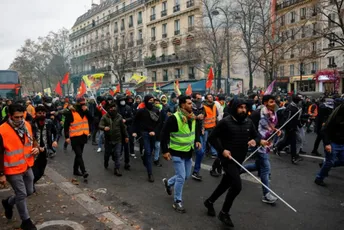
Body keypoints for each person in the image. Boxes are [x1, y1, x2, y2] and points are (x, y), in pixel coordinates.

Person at [203, 98, 262, 227]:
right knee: (236, 186)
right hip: (227, 159)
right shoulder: (225, 122)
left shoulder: (248, 122)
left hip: (240, 158)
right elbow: (212, 137)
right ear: (234, 108)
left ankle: (209, 201)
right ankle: (224, 212)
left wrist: (255, 141)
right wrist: (222, 150)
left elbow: (257, 136)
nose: (243, 110)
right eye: (240, 107)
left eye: (245, 107)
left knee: (225, 184)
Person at [0, 104, 39, 230]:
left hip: (26, 165)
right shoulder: (2, 130)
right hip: (11, 168)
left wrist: (36, 148)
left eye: (22, 116)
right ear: (10, 116)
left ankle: (8, 202)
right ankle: (26, 221)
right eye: (17, 117)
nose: (20, 119)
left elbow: (32, 140)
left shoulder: (26, 125)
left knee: (29, 191)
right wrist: (1, 174)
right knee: (21, 193)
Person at [161, 95, 201, 213]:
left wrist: (197, 140)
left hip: (188, 152)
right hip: (176, 152)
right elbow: (163, 134)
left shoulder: (192, 117)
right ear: (182, 105)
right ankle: (177, 201)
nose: (191, 105)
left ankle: (168, 183)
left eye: (191, 103)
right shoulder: (174, 118)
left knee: (186, 176)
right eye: (189, 103)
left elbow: (195, 129)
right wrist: (165, 151)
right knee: (181, 178)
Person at [243, 95, 279, 204]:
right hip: (260, 143)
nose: (274, 103)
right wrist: (257, 141)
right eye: (271, 102)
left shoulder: (273, 112)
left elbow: (271, 126)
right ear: (265, 103)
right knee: (265, 169)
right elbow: (249, 128)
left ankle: (236, 171)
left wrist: (276, 130)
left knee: (257, 165)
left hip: (268, 143)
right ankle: (266, 195)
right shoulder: (257, 113)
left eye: (274, 101)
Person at [132, 95, 162, 182]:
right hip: (144, 133)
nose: (151, 102)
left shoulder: (156, 110)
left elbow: (159, 123)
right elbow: (135, 121)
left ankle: (144, 158)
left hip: (153, 134)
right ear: (145, 101)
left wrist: (155, 131)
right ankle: (150, 173)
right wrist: (134, 131)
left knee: (150, 151)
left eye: (153, 100)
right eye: (149, 100)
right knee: (148, 152)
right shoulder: (141, 111)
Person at [314, 103, 344, 186]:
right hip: (332, 142)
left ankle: (325, 164)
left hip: (341, 143)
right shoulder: (335, 118)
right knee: (330, 162)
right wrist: (327, 144)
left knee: (341, 161)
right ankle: (319, 178)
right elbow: (324, 130)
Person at [64, 97, 91, 178]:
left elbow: (91, 119)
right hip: (74, 137)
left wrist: (86, 111)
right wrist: (67, 137)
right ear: (78, 103)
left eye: (84, 102)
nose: (84, 104)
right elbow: (66, 125)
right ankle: (84, 171)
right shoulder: (71, 112)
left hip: (83, 136)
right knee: (79, 154)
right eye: (82, 103)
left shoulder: (85, 111)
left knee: (79, 154)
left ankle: (75, 170)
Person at [99, 103, 129, 176]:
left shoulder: (119, 117)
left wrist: (126, 136)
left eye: (114, 108)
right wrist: (104, 128)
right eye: (111, 108)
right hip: (108, 139)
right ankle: (106, 162)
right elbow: (100, 125)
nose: (113, 110)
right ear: (109, 109)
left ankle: (117, 169)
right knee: (107, 154)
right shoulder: (105, 117)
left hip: (118, 139)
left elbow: (123, 128)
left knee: (117, 154)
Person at [31, 105, 58, 183]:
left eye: (43, 113)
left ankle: (32, 183)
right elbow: (30, 137)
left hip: (45, 149)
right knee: (34, 170)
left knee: (41, 171)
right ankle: (30, 184)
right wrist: (37, 146)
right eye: (39, 113)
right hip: (34, 150)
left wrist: (55, 140)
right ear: (36, 114)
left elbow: (56, 132)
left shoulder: (49, 122)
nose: (42, 115)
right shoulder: (31, 124)